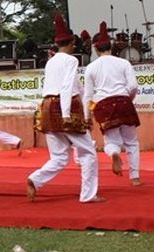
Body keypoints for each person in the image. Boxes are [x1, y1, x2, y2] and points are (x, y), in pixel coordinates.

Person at [26, 15, 105, 203]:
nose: (75, 46)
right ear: (70, 42)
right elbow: (67, 87)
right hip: (63, 105)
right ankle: (88, 194)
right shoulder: (71, 61)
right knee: (87, 152)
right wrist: (67, 114)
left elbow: (67, 86)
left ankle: (35, 179)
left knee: (60, 156)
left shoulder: (51, 61)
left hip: (46, 106)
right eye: (74, 43)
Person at [83, 22, 142, 186]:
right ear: (112, 46)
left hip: (104, 105)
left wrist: (87, 116)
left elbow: (88, 95)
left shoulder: (91, 67)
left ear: (95, 48)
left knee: (111, 142)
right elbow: (133, 86)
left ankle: (114, 153)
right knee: (132, 142)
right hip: (123, 101)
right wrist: (127, 99)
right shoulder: (123, 63)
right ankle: (135, 177)